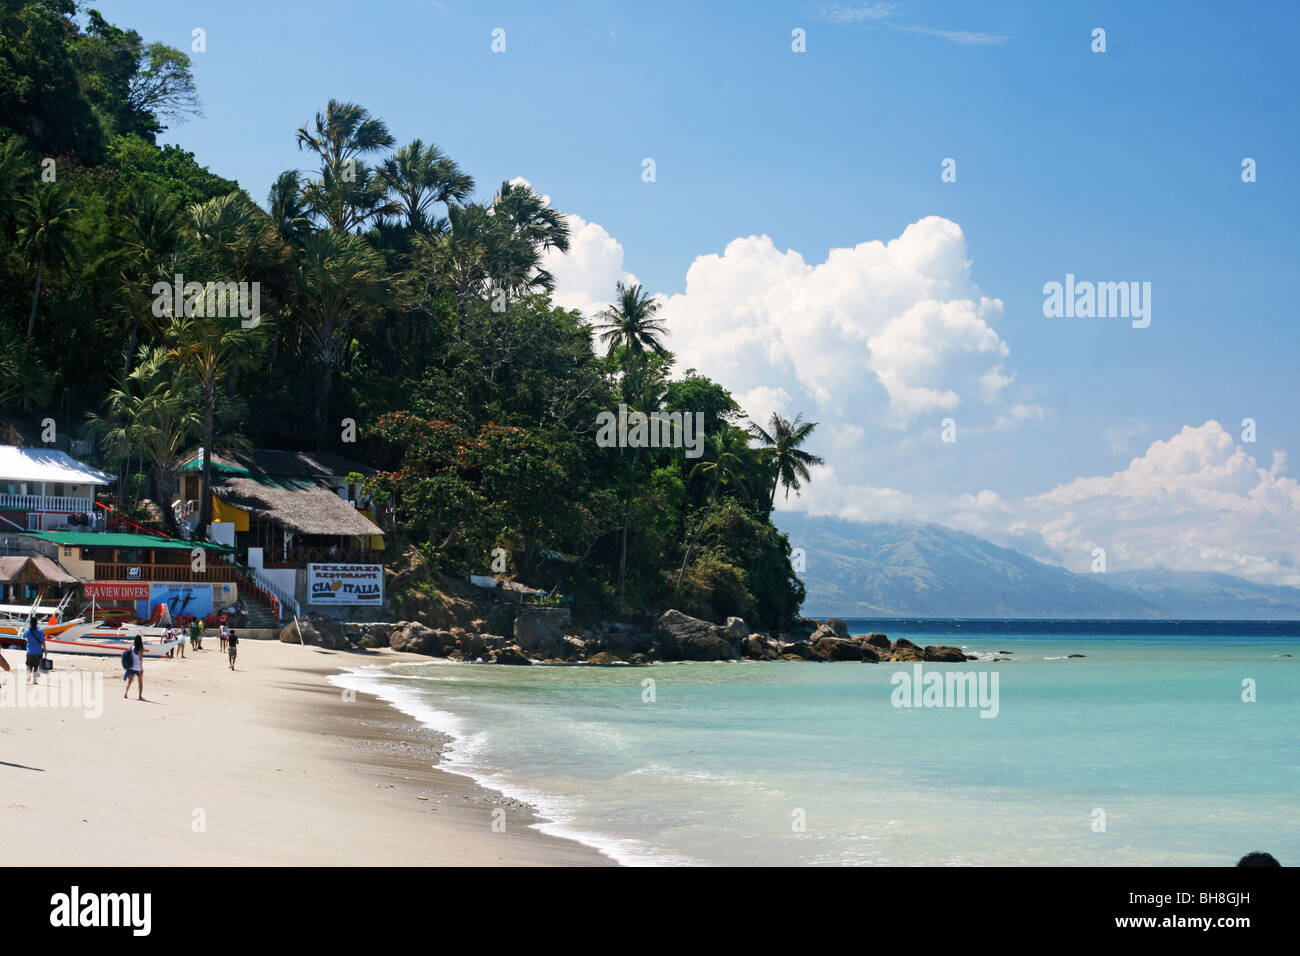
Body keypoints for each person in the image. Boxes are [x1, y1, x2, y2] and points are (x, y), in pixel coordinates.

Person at [23, 618, 45, 685]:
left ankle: (28, 676)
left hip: (30, 651)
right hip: (38, 652)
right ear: (36, 623)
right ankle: (34, 680)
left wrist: (29, 640)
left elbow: (24, 636)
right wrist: (45, 650)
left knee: (29, 665)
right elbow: (43, 642)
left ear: (30, 623)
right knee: (37, 666)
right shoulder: (40, 631)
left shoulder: (27, 631)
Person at [123, 635, 144, 700]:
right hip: (138, 667)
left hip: (131, 667)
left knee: (130, 681)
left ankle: (126, 693)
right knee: (140, 682)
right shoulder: (141, 648)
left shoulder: (131, 647)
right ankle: (140, 696)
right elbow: (140, 659)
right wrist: (140, 669)